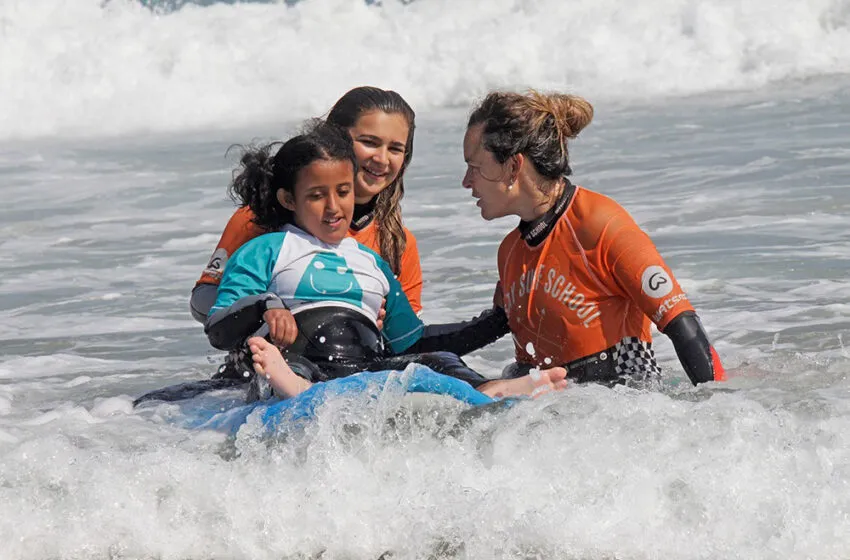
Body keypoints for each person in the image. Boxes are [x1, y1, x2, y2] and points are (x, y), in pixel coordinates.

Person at [205, 120, 568, 401]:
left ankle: (487, 389)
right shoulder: (268, 248)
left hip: (363, 367)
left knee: (436, 364)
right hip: (298, 362)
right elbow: (219, 324)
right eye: (316, 196)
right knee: (286, 369)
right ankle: (294, 386)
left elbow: (412, 342)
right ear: (288, 199)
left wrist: (498, 321)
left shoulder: (371, 263)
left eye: (343, 192)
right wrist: (267, 307)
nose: (334, 207)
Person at [461, 90, 726, 386]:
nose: (466, 182)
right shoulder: (510, 252)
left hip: (624, 404)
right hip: (551, 413)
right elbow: (496, 342)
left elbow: (683, 325)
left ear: (512, 167)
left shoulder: (600, 225)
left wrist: (720, 413)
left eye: (474, 167)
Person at [190, 86, 424, 324]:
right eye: (369, 142)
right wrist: (269, 310)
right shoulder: (260, 217)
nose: (382, 159)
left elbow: (409, 335)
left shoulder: (398, 243)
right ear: (335, 141)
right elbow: (204, 299)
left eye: (395, 149)